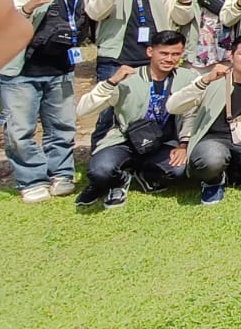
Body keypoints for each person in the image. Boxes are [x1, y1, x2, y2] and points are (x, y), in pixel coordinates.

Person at [0, 0, 95, 203]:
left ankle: (61, 174)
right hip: (22, 71)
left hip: (61, 71)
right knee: (19, 130)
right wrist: (29, 8)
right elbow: (5, 18)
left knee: (61, 126)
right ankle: (32, 180)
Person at [75, 30, 189, 208]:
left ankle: (143, 173)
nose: (169, 59)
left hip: (163, 142)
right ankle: (120, 178)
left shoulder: (187, 78)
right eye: (164, 53)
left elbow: (193, 113)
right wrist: (111, 82)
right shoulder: (128, 78)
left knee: (178, 170)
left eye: (175, 54)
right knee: (100, 171)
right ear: (150, 52)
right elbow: (84, 110)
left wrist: (184, 144)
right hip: (125, 140)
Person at [167, 34, 241, 205]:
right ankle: (214, 180)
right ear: (231, 55)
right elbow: (173, 107)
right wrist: (204, 81)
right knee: (211, 160)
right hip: (213, 139)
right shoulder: (213, 78)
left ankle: (234, 171)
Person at [85, 0, 172, 148]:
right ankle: (100, 159)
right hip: (115, 56)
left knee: (150, 109)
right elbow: (94, 13)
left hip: (153, 58)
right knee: (108, 113)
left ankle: (144, 158)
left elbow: (173, 17)